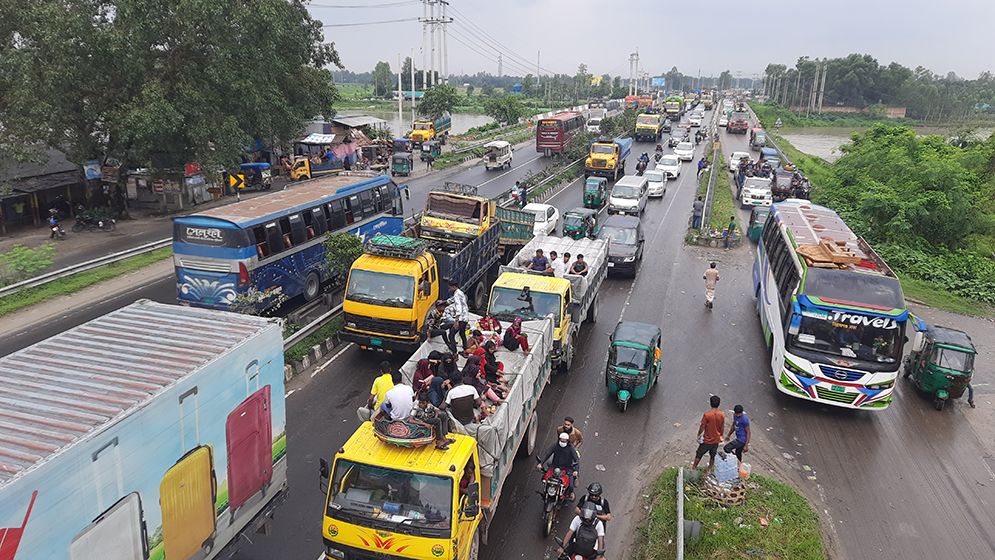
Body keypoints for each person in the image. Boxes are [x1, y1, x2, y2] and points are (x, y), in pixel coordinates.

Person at [537, 432, 581, 500]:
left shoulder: (571, 449)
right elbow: (547, 453)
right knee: (545, 478)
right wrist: (541, 463)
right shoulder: (555, 445)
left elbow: (576, 460)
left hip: (567, 468)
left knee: (571, 486)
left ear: (567, 440)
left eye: (564, 440)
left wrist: (576, 471)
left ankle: (569, 493)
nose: (562, 441)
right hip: (555, 466)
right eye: (561, 440)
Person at [692, 395, 725, 471]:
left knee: (699, 453)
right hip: (716, 439)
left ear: (710, 403)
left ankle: (694, 467)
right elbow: (722, 427)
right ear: (719, 404)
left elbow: (702, 426)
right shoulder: (722, 415)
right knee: (713, 455)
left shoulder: (707, 415)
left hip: (707, 439)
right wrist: (721, 436)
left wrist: (698, 435)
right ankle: (710, 468)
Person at [446, 282, 470, 351]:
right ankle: (465, 347)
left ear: (453, 287)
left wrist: (456, 320)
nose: (449, 289)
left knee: (451, 335)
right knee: (462, 333)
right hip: (465, 317)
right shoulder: (460, 292)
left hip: (461, 318)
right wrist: (445, 302)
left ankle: (454, 352)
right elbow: (452, 300)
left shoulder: (456, 294)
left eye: (450, 288)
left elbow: (458, 307)